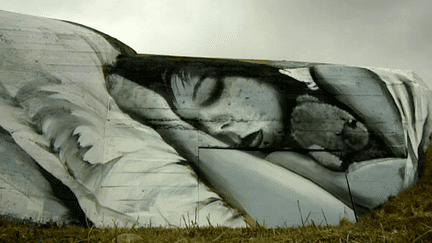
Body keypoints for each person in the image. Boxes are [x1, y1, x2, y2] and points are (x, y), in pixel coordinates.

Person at [104, 55, 423, 223]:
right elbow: (329, 219)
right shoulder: (280, 161)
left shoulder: (336, 80)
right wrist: (168, 123)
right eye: (200, 125)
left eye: (213, 93)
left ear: (259, 75)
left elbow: (404, 167)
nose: (218, 127)